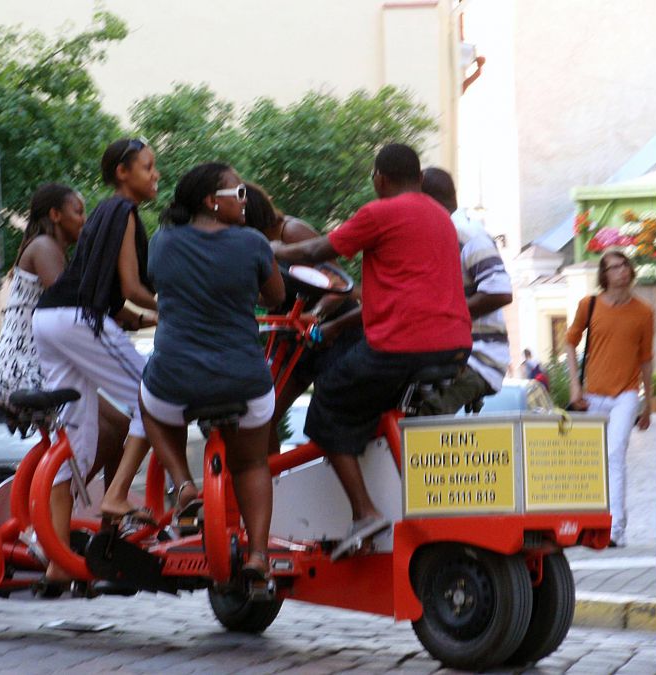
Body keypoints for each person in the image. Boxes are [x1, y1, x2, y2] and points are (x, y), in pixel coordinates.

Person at [271, 144, 472, 560]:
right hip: (453, 346)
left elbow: (313, 252)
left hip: (402, 346)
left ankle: (364, 512)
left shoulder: (379, 213)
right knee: (369, 404)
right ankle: (418, 500)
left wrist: (268, 252)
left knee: (327, 404)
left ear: (379, 179)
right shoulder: (440, 216)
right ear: (418, 178)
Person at [139, 163, 285, 583]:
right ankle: (258, 554)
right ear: (211, 201)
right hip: (244, 379)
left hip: (175, 380)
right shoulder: (253, 243)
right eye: (238, 194)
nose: (245, 201)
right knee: (253, 463)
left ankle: (183, 484)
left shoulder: (163, 242)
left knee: (148, 405)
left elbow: (160, 284)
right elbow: (274, 298)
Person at [32, 138, 160, 588]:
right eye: (148, 167)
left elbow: (111, 297)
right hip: (76, 320)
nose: (155, 175)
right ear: (123, 172)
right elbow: (129, 287)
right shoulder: (123, 212)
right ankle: (118, 496)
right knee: (155, 400)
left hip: (50, 319)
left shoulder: (104, 214)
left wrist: (149, 315)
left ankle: (56, 561)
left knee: (79, 443)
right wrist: (175, 305)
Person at [242, 182, 363, 455]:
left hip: (334, 333)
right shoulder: (252, 242)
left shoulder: (291, 231)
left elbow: (340, 285)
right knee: (263, 418)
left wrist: (316, 314)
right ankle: (272, 487)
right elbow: (272, 296)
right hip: (295, 338)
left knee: (330, 419)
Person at [564, 250, 654, 548]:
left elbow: (645, 360)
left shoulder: (644, 312)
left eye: (624, 265)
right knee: (592, 461)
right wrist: (575, 387)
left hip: (625, 395)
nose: (621, 271)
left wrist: (647, 404)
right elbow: (569, 343)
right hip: (591, 397)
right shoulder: (588, 306)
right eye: (614, 267)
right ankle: (590, 525)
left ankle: (616, 529)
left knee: (615, 455)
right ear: (605, 276)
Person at [0, 183, 85, 428]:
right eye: (78, 211)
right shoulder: (43, 246)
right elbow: (68, 298)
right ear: (55, 215)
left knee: (103, 422)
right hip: (22, 373)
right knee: (111, 420)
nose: (84, 220)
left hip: (15, 371)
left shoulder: (49, 250)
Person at [416, 167, 513, 416]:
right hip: (456, 356)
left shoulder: (467, 235)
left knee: (418, 420)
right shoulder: (441, 234)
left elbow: (500, 292)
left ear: (425, 199)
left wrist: (441, 316)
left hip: (477, 359)